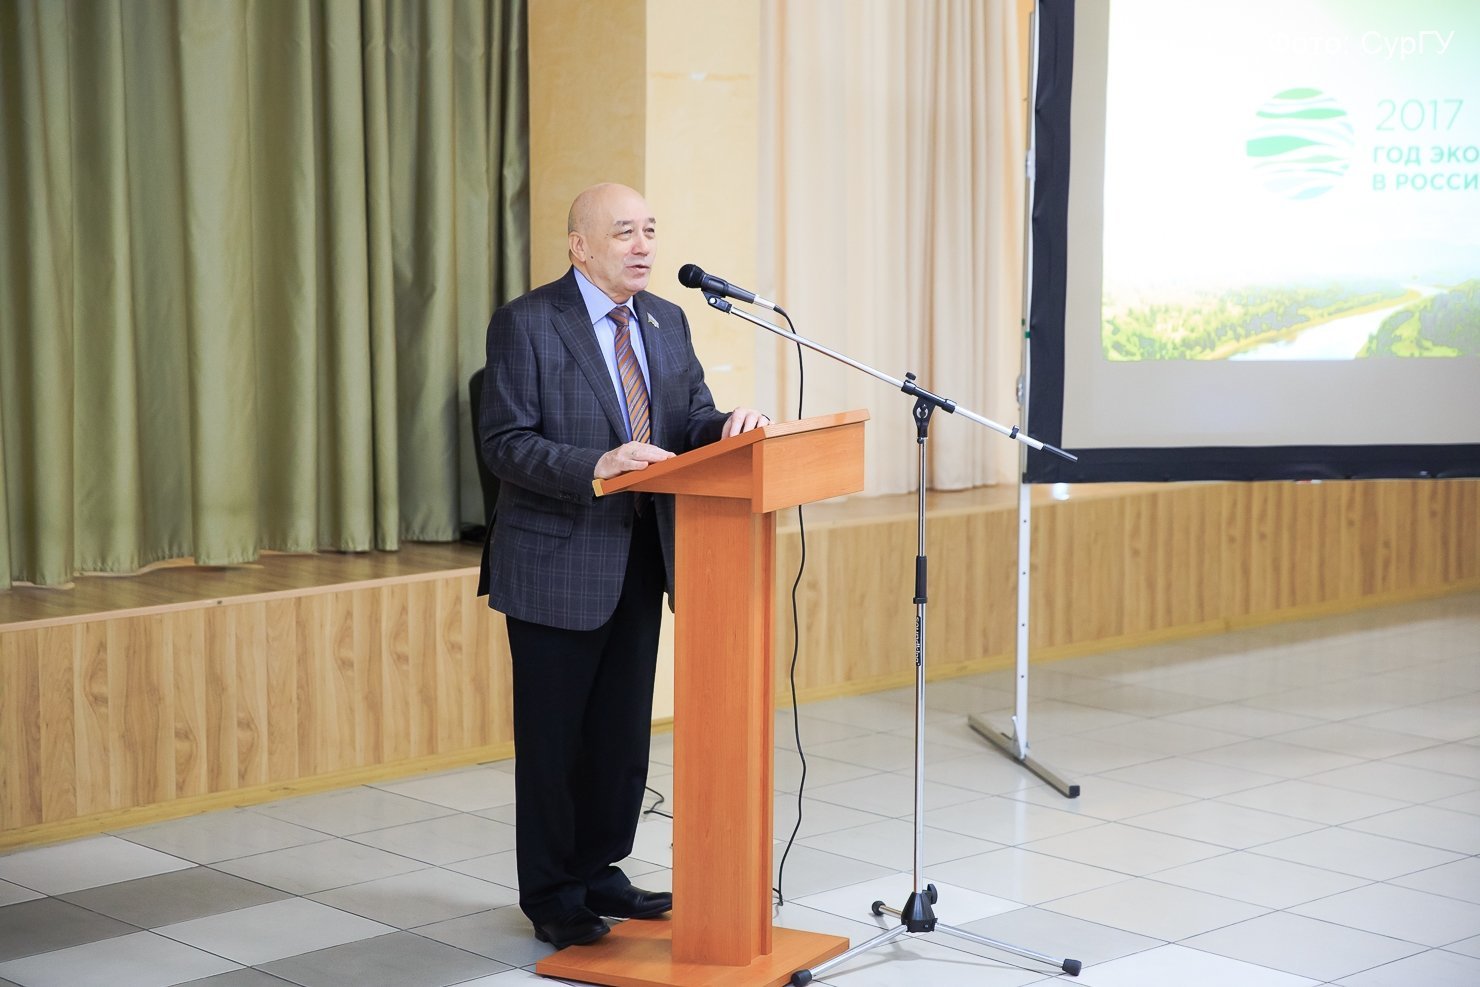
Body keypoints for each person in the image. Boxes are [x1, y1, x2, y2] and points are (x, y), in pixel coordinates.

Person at [477, 182, 769, 949]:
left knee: (619, 737)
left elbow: (690, 416)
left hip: (643, 556)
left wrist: (728, 426)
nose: (642, 247)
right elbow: (504, 442)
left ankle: (601, 869)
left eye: (649, 231)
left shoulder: (666, 320)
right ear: (580, 246)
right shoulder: (527, 322)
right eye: (623, 233)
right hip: (555, 561)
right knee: (555, 743)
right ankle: (552, 893)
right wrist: (596, 465)